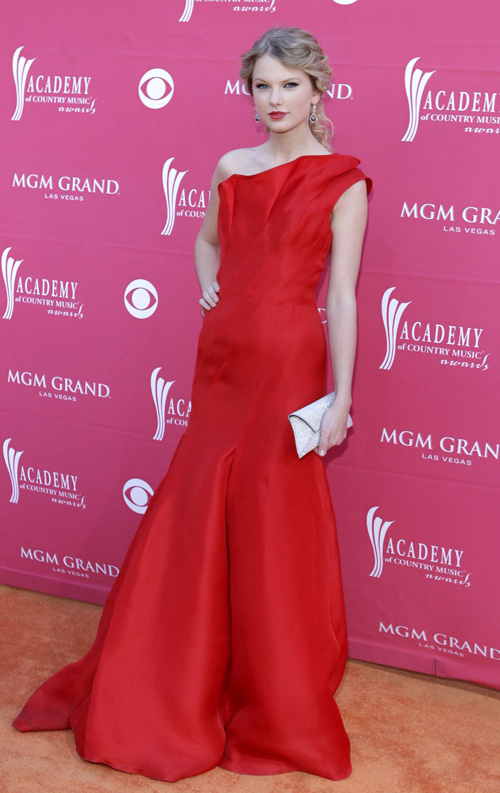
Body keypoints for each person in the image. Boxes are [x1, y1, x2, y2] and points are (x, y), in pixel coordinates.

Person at [13, 27, 371, 783]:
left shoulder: (343, 181)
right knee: (199, 500)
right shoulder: (231, 166)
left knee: (271, 506)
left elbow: (341, 295)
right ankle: (177, 664)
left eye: (289, 85)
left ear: (317, 90)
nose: (274, 100)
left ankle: (267, 680)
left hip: (287, 364)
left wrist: (342, 393)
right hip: (221, 358)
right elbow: (206, 240)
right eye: (262, 86)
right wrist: (211, 282)